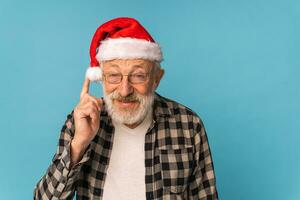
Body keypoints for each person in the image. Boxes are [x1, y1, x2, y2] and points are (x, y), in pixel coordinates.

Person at [34, 17, 218, 200]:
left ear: (156, 79)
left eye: (138, 76)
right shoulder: (81, 122)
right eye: (114, 76)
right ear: (102, 78)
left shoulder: (188, 124)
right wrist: (79, 144)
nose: (124, 90)